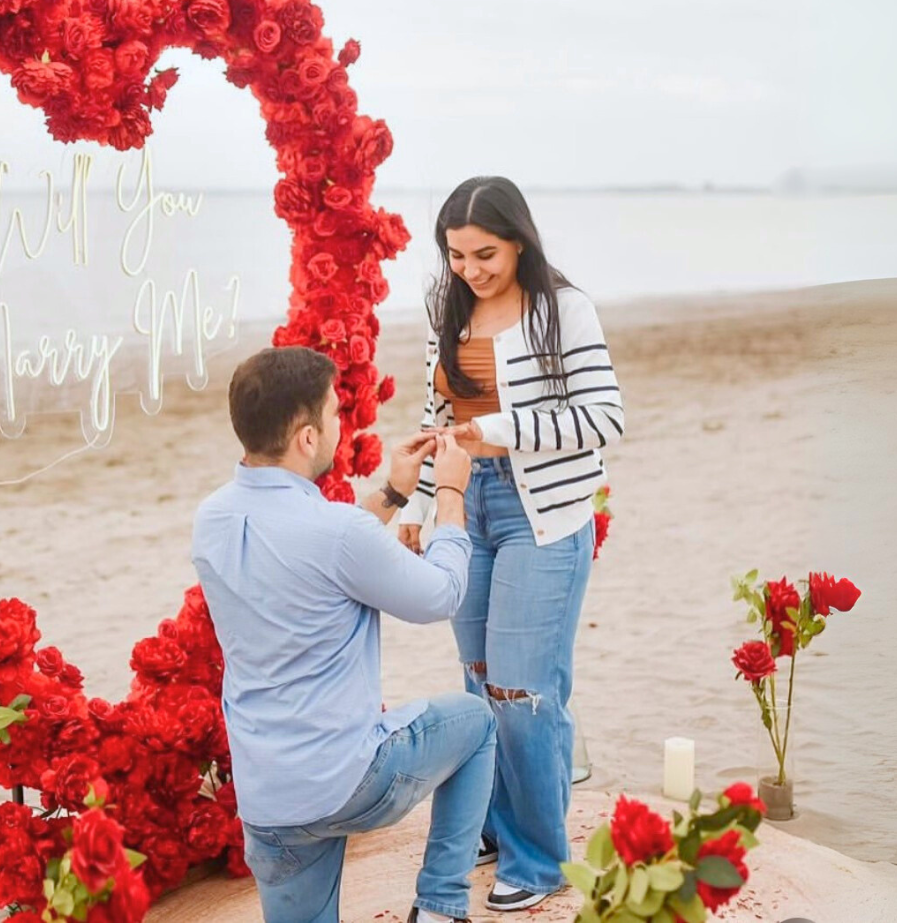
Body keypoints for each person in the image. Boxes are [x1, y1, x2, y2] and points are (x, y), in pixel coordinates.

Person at [191, 346, 497, 923]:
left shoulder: (212, 519)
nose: (340, 425)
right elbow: (441, 596)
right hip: (350, 781)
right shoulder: (336, 531)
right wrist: (450, 495)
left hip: (269, 799)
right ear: (307, 438)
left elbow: (310, 553)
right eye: (334, 414)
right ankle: (439, 908)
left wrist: (393, 495)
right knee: (476, 723)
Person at [398, 176, 625, 912]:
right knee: (479, 679)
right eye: (456, 254)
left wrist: (501, 431)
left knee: (524, 690)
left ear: (519, 239)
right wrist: (427, 500)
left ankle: (537, 855)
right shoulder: (448, 306)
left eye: (484, 253)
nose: (470, 269)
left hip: (545, 515)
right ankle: (499, 827)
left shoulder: (565, 309)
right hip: (471, 508)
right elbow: (438, 411)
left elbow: (603, 418)